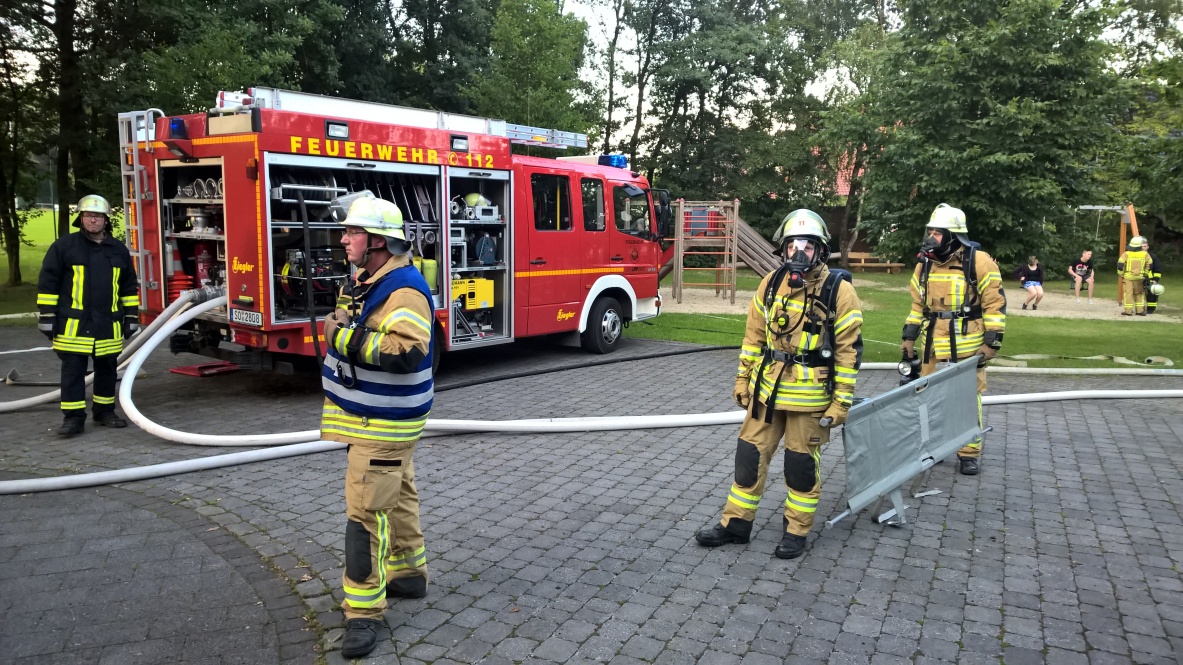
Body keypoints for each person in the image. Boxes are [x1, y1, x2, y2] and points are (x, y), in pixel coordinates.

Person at [695, 209, 862, 560]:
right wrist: (743, 378)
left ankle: (796, 532)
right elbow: (754, 337)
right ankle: (736, 525)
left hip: (810, 398)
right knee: (748, 458)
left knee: (800, 468)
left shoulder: (840, 291)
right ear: (782, 249)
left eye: (807, 246)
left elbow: (848, 352)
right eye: (792, 246)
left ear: (820, 250)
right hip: (767, 393)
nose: (799, 253)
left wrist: (841, 402)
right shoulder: (771, 283)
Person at [320, 192, 435, 659]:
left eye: (352, 232)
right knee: (398, 493)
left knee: (366, 513)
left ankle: (363, 612)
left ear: (378, 241)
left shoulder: (403, 291)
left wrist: (339, 336)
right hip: (376, 419)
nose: (343, 239)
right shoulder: (369, 280)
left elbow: (406, 351)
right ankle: (408, 573)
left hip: (382, 424)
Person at [900, 204, 1006, 476]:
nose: (931, 237)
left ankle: (968, 453)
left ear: (953, 236)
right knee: (928, 398)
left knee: (966, 400)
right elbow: (918, 305)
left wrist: (991, 343)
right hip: (933, 345)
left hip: (967, 347)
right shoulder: (924, 265)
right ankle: (934, 448)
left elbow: (995, 304)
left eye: (937, 233)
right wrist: (909, 338)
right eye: (930, 232)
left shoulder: (979, 262)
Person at [36, 194, 140, 437]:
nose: (93, 220)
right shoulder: (64, 247)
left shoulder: (118, 250)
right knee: (73, 373)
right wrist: (47, 316)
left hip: (108, 324)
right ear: (81, 219)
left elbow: (128, 286)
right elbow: (48, 283)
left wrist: (131, 316)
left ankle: (104, 412)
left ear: (106, 220)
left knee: (107, 371)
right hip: (74, 325)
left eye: (98, 216)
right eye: (88, 215)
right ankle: (73, 419)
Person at [1117, 236, 1151, 316]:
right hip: (1140, 277)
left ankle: (1128, 311)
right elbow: (1149, 264)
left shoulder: (1126, 254)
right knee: (1139, 293)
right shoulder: (1145, 254)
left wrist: (1121, 274)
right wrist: (1145, 273)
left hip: (1128, 277)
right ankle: (1140, 311)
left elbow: (1120, 265)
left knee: (1128, 294)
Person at [1142, 240, 1162, 314]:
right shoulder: (1135, 256)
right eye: (1141, 246)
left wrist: (1155, 280)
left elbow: (1157, 269)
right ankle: (1139, 309)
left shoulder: (1153, 257)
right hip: (1138, 277)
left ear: (1148, 247)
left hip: (1150, 279)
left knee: (1152, 294)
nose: (1143, 248)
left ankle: (1150, 310)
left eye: (1144, 246)